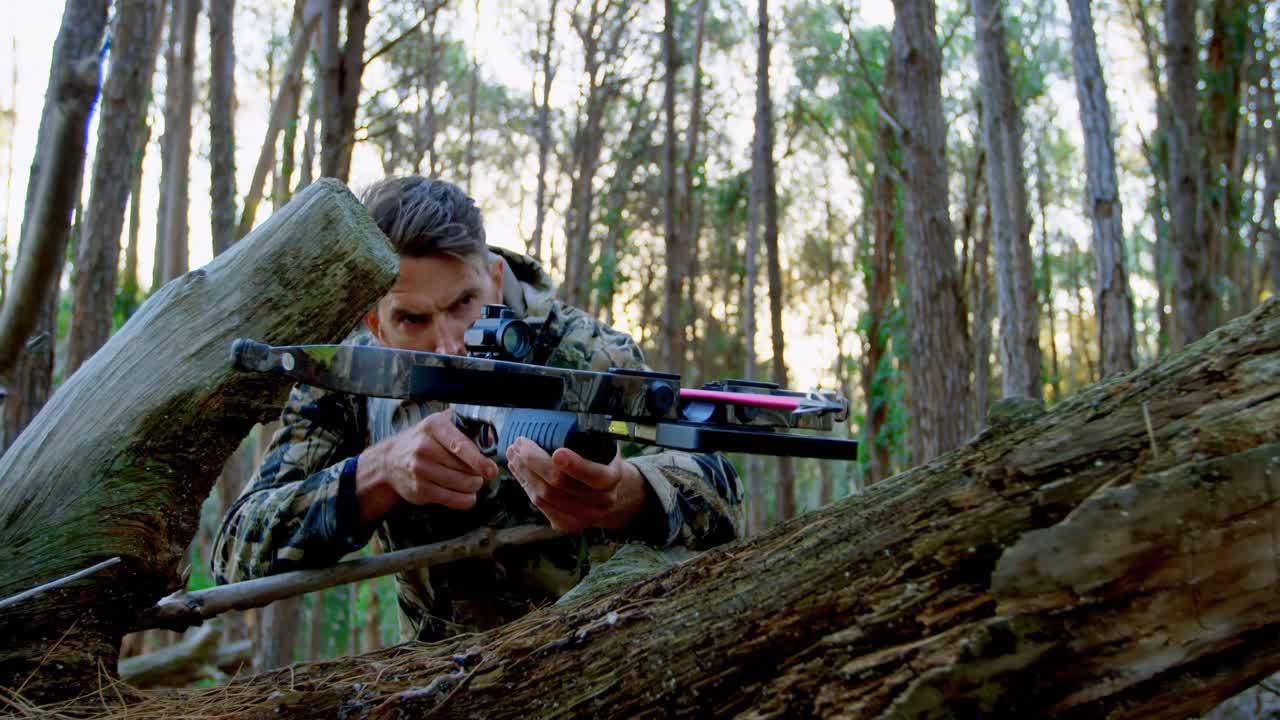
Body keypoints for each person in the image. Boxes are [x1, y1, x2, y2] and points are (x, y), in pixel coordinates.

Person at [212, 176, 743, 641]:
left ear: (493, 277)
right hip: (446, 682)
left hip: (606, 650)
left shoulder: (583, 352)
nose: (449, 344)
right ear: (374, 324)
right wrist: (378, 474)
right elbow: (236, 555)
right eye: (413, 320)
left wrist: (625, 494)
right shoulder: (348, 378)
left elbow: (721, 492)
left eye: (463, 305)